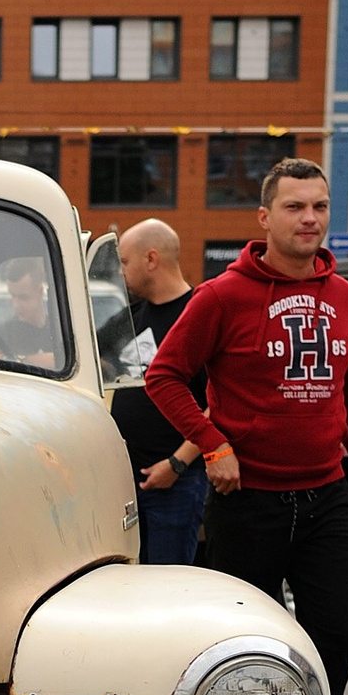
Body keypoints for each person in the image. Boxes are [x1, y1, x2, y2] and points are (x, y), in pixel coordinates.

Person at [143, 157, 348, 695]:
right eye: (294, 207)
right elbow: (164, 376)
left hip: (323, 500)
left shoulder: (344, 297)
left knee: (334, 642)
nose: (309, 218)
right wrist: (213, 442)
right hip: (247, 502)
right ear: (264, 218)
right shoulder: (224, 296)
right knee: (245, 653)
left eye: (319, 206)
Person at [100, 220, 210, 564]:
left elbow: (219, 403)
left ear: (151, 259)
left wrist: (177, 464)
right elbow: (86, 356)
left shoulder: (200, 316)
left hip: (175, 484)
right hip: (123, 482)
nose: (120, 272)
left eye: (124, 261)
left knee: (166, 585)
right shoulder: (129, 318)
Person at [0, 256, 59, 368]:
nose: (16, 305)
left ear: (40, 292)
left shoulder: (58, 331)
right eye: (12, 296)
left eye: (23, 297)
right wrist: (26, 360)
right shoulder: (4, 334)